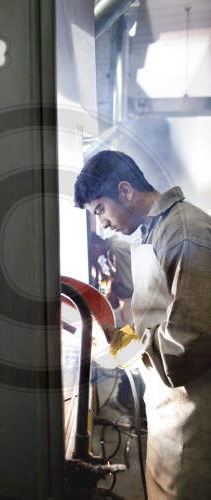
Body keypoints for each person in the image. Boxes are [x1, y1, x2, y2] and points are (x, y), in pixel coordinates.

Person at [74, 150, 211, 499]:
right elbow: (155, 320)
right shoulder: (152, 232)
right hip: (167, 412)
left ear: (125, 191)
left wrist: (119, 348)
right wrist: (115, 346)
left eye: (100, 210)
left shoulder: (183, 234)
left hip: (193, 420)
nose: (101, 223)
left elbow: (183, 349)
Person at [91, 231, 133, 327]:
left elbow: (128, 287)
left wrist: (110, 289)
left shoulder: (115, 249)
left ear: (94, 247)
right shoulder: (112, 250)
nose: (92, 257)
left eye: (91, 254)